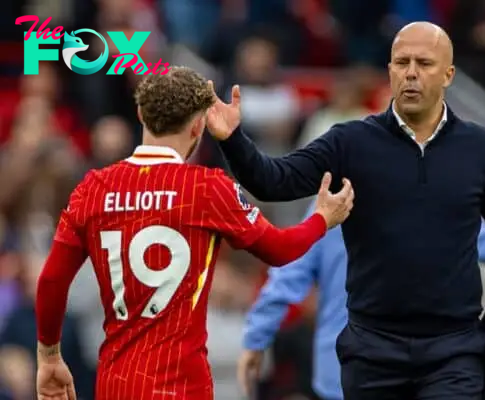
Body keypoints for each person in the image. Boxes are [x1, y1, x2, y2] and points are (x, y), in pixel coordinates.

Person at [206, 22, 485, 399]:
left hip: (455, 350)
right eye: (402, 62)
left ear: (449, 74)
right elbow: (274, 181)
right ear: (389, 71)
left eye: (425, 63)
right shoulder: (351, 142)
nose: (412, 73)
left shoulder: (480, 148)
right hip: (373, 352)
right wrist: (233, 139)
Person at [33, 66, 354, 400]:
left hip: (118, 382)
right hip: (184, 385)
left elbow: (52, 280)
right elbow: (280, 249)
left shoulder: (94, 188)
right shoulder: (207, 188)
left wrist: (49, 357)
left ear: (141, 114)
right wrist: (321, 220)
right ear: (200, 125)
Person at [238, 200, 485, 400]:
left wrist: (256, 338)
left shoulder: (333, 206)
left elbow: (287, 275)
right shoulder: (442, 205)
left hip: (342, 376)